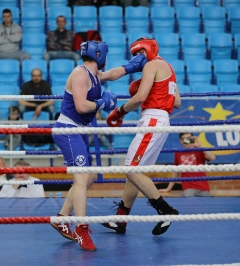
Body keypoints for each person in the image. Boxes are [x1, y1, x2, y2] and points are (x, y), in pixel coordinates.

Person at [50, 40, 147, 251]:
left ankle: (62, 218)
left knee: (89, 176)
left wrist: (132, 66)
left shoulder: (94, 75)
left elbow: (110, 74)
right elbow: (81, 105)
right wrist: (103, 103)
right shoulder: (80, 73)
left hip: (79, 130)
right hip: (68, 129)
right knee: (82, 177)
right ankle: (81, 229)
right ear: (99, 55)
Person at [102, 37, 181, 236]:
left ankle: (165, 210)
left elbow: (139, 98)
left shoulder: (152, 65)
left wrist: (119, 112)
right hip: (161, 121)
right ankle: (121, 220)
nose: (138, 58)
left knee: (132, 170)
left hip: (152, 121)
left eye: (140, 53)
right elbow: (177, 101)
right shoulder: (168, 67)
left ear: (148, 50)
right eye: (135, 55)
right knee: (135, 174)